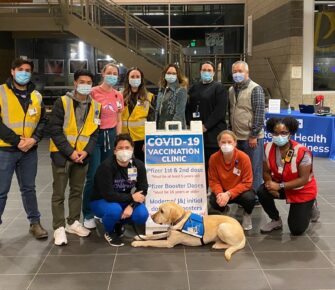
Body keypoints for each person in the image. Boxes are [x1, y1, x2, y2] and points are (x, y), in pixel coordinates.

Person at [49, 69, 101, 246]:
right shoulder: (62, 102)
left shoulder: (96, 106)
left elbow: (94, 133)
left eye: (89, 82)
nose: (85, 85)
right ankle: (58, 227)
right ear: (75, 83)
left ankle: (72, 222)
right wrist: (70, 152)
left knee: (76, 191)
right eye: (82, 82)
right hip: (62, 155)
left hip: (82, 156)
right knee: (59, 193)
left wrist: (86, 151)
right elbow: (55, 130)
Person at [0, 58, 48, 239]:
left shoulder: (36, 95)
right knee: (1, 191)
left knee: (29, 188)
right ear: (12, 71)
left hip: (29, 151)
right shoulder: (1, 92)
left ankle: (35, 223)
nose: (24, 73)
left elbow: (43, 120)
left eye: (28, 70)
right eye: (21, 69)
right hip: (5, 150)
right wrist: (16, 140)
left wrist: (34, 139)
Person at [258, 117, 320, 235]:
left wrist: (279, 186)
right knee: (262, 191)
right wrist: (270, 185)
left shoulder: (303, 152)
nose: (279, 136)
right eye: (275, 133)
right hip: (280, 185)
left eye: (283, 133)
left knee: (296, 230)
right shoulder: (267, 147)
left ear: (290, 133)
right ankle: (276, 220)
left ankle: (311, 204)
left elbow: (303, 179)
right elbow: (265, 171)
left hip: (302, 190)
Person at [82, 63, 123, 230]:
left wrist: (119, 140)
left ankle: (101, 208)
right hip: (95, 136)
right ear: (103, 74)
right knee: (93, 176)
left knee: (108, 176)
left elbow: (119, 118)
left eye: (115, 73)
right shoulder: (93, 93)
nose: (112, 75)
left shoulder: (118, 95)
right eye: (109, 73)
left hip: (111, 135)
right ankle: (87, 213)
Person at [90, 133, 149, 246]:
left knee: (142, 214)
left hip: (123, 199)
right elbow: (109, 195)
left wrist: (131, 205)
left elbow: (143, 188)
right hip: (101, 200)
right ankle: (110, 232)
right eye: (120, 148)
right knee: (114, 210)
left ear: (132, 149)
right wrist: (132, 197)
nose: (124, 151)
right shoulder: (106, 167)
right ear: (114, 151)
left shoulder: (138, 165)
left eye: (127, 148)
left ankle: (117, 222)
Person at [187, 61, 228, 185]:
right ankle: (201, 191)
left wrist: (206, 126)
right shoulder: (194, 87)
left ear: (214, 73)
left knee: (214, 166)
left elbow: (219, 111)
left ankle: (216, 192)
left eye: (209, 70)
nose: (206, 72)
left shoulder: (219, 88)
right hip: (197, 134)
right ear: (200, 71)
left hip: (213, 133)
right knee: (200, 166)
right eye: (204, 70)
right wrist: (190, 123)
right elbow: (189, 107)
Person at [228, 60, 265, 198]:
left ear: (247, 73)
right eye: (235, 71)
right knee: (240, 169)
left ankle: (254, 196)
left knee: (254, 168)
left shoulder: (255, 89)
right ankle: (243, 194)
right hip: (237, 137)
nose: (237, 74)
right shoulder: (231, 90)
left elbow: (260, 113)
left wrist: (254, 135)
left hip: (252, 138)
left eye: (240, 71)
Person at [208, 130, 255, 231]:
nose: (226, 144)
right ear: (219, 143)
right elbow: (213, 180)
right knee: (213, 200)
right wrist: (220, 194)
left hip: (240, 192)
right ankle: (224, 210)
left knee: (250, 198)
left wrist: (229, 194)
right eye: (223, 142)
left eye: (229, 142)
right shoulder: (213, 158)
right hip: (223, 190)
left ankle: (247, 214)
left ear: (235, 143)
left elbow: (247, 182)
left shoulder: (243, 157)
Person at [122, 67, 155, 161]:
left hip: (141, 140)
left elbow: (152, 121)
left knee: (140, 167)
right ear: (128, 79)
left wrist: (148, 141)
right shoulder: (120, 96)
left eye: (137, 76)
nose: (135, 78)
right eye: (132, 76)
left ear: (141, 79)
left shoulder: (149, 97)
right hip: (124, 139)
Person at [155, 64, 188, 129]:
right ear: (165, 74)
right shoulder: (161, 91)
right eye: (169, 73)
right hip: (160, 128)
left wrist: (170, 130)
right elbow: (158, 112)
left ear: (177, 76)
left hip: (174, 130)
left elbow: (179, 114)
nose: (171, 75)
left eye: (174, 73)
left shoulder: (181, 90)